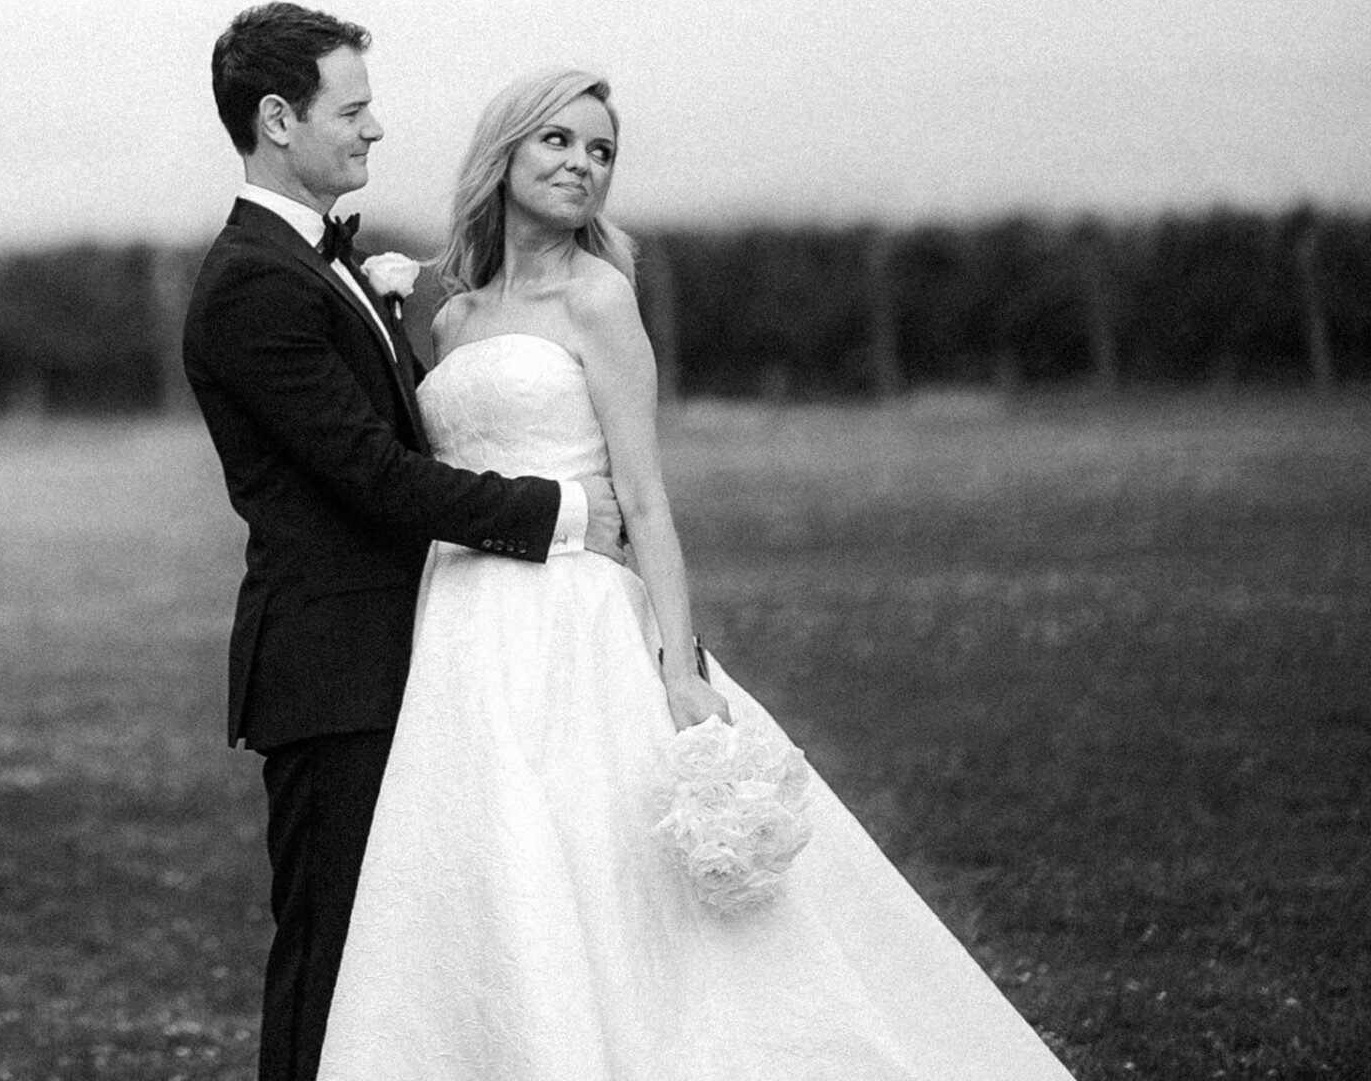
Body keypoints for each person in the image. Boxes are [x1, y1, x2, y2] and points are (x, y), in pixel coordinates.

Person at [316, 69, 1078, 1079]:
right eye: (559, 141)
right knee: (492, 861)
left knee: (608, 871)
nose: (583, 164)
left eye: (601, 151)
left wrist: (680, 667)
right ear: (504, 153)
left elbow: (646, 497)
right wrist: (402, 287)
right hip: (459, 623)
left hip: (571, 616)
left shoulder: (600, 298)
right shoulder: (450, 319)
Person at [181, 6, 625, 1081]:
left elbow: (407, 419)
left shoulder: (318, 264)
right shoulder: (253, 282)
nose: (376, 129)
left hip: (413, 656)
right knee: (331, 961)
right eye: (355, 107)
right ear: (278, 119)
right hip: (333, 672)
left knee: (404, 970)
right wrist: (560, 513)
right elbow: (370, 477)